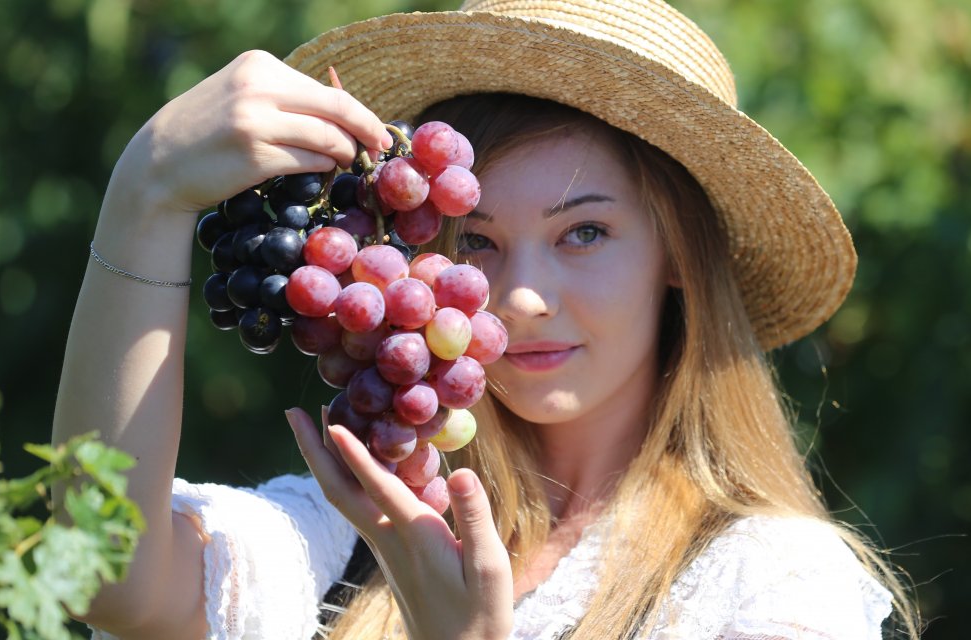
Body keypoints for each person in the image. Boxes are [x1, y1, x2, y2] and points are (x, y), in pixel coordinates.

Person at [52, 0, 921, 638]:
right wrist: (146, 193)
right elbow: (103, 573)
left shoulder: (769, 583)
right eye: (476, 241)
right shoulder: (361, 535)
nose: (522, 296)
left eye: (584, 232)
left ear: (678, 257)